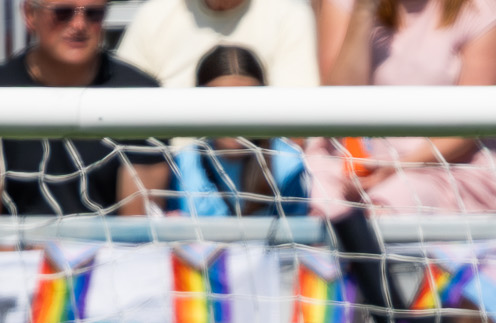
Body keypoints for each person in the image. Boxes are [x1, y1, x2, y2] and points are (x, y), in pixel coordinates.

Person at [305, 0, 496, 215]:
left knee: (384, 208)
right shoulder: (345, 5)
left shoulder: (483, 11)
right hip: (349, 160)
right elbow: (340, 102)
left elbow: (471, 128)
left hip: (441, 166)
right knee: (319, 209)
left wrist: (396, 167)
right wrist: (363, 11)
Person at [0, 0, 170, 217]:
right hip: (18, 249)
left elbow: (138, 230)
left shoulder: (141, 97)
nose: (79, 24)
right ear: (30, 14)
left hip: (108, 248)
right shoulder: (4, 92)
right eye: (62, 13)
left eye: (93, 14)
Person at [169, 44, 314, 215]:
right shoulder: (181, 166)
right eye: (220, 103)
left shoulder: (288, 164)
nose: (233, 118)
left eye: (246, 104)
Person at [117, 0, 320, 88]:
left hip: (261, 170)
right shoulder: (153, 17)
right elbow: (121, 105)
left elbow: (297, 128)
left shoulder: (291, 17)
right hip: (167, 166)